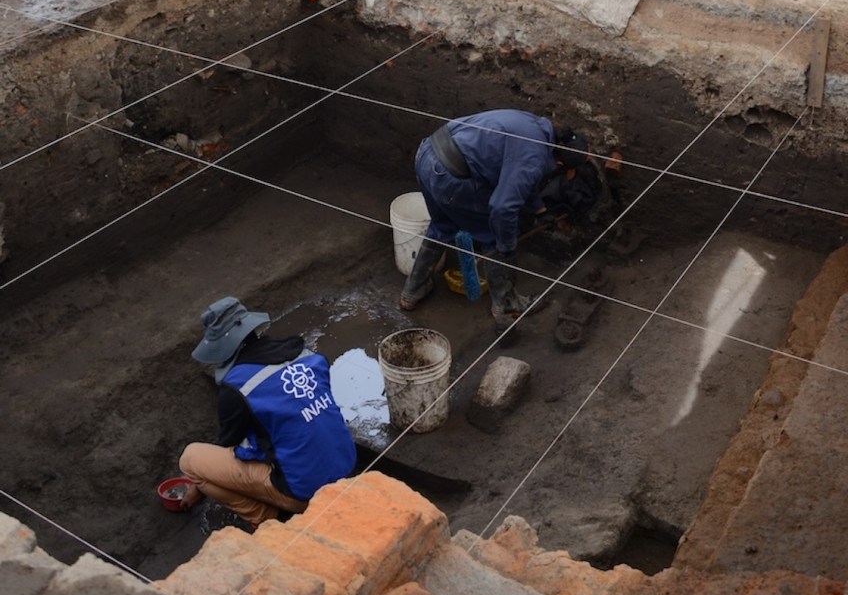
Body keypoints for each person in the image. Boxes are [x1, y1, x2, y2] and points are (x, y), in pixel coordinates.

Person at [399, 110, 594, 327]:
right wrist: (506, 245)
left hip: (429, 154)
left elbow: (516, 172)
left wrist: (539, 210)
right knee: (493, 236)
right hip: (451, 178)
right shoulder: (535, 157)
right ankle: (507, 305)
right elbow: (502, 208)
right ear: (559, 164)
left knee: (442, 225)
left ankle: (412, 291)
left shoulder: (534, 127)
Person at [179, 296, 356, 528]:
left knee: (191, 460)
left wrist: (197, 488)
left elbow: (229, 444)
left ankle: (265, 518)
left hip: (303, 493)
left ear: (221, 348)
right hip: (346, 469)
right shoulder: (306, 355)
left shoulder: (238, 387)